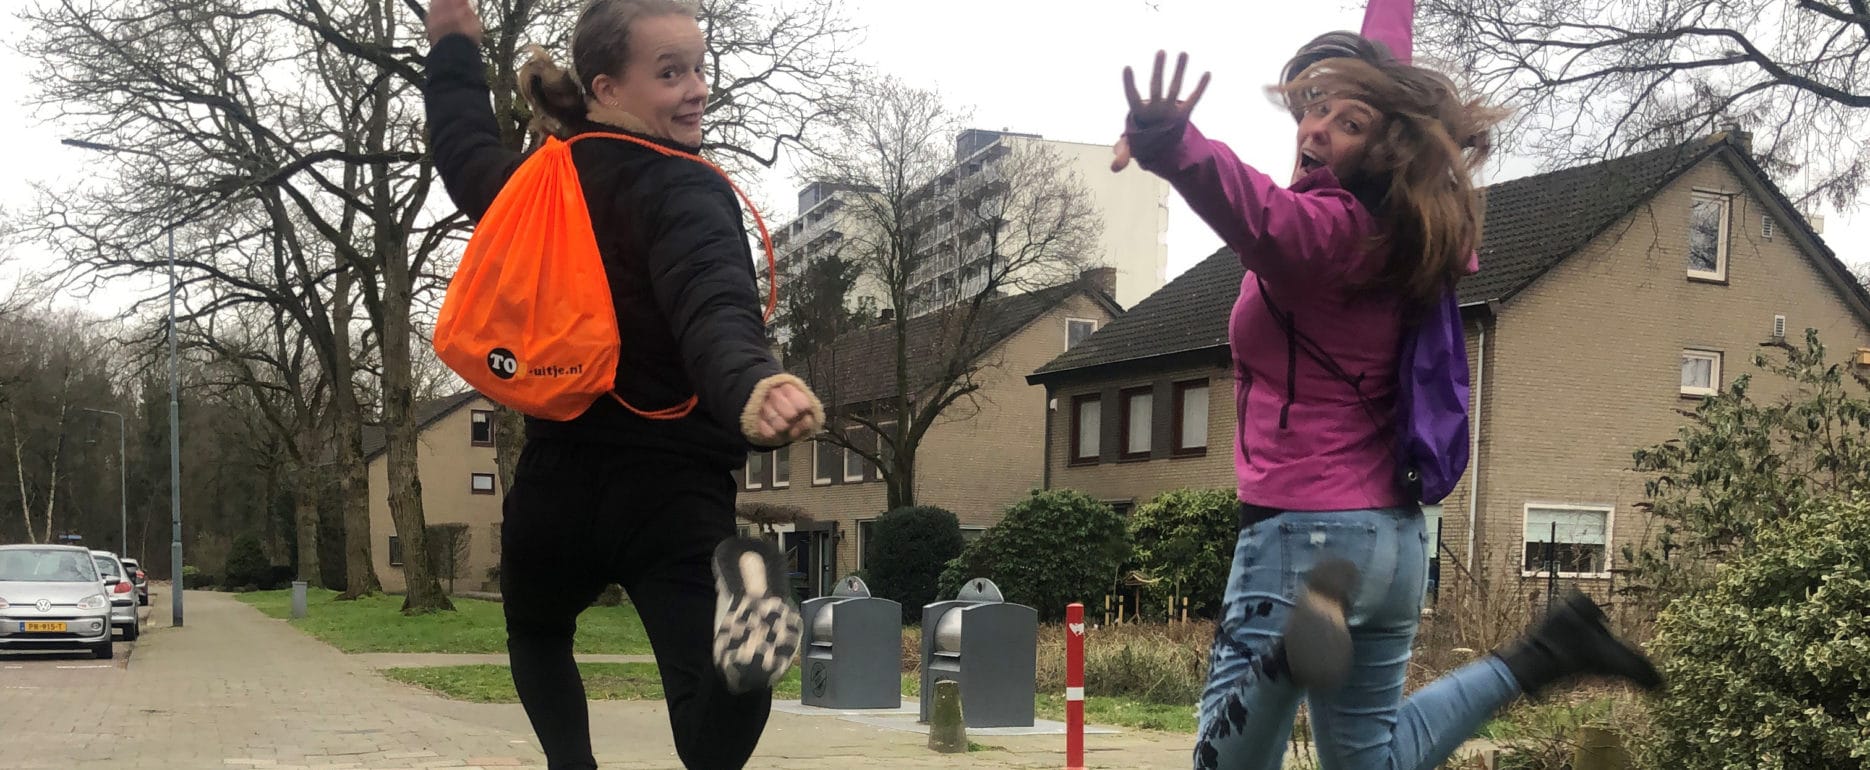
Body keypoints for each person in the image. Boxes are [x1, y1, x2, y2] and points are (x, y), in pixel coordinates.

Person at [1111, 2, 1664, 767]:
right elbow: (1383, 61)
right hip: (1394, 545)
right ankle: (1545, 653)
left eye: (1346, 122)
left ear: (1387, 145)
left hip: (1301, 538)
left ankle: (1290, 656)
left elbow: (1259, 215)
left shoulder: (1328, 235)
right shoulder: (1411, 235)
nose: (1315, 128)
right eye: (1313, 107)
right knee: (1371, 760)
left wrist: (1171, 144)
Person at [421, 0, 822, 767]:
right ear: (606, 88)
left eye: (699, 67)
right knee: (708, 710)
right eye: (671, 73)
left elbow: (465, 153)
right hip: (671, 495)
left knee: (537, 630)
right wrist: (752, 382)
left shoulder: (541, 181)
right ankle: (748, 648)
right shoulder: (684, 187)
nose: (697, 89)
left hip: (556, 484)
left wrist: (452, 49)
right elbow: (713, 303)